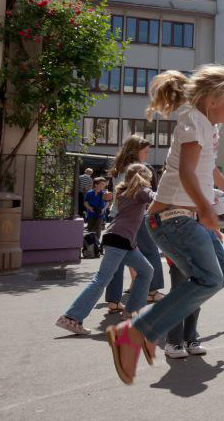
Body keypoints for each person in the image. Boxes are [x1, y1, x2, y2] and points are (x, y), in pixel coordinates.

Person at [106, 65, 224, 385]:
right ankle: (136, 334)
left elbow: (206, 169)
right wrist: (207, 210)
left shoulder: (209, 126)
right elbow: (185, 172)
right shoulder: (192, 121)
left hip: (186, 217)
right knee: (210, 278)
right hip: (171, 218)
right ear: (213, 100)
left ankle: (151, 333)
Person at [56, 163, 156, 336]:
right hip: (119, 240)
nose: (150, 180)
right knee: (102, 279)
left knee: (146, 270)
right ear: (143, 177)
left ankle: (131, 312)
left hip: (122, 241)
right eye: (148, 177)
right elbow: (156, 197)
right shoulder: (140, 191)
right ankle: (71, 317)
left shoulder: (124, 192)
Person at [165, 187, 224, 359]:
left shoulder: (193, 188)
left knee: (196, 294)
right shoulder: (171, 190)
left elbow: (196, 216)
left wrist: (210, 226)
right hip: (179, 248)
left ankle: (190, 338)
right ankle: (173, 342)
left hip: (196, 246)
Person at [104, 136, 165, 312]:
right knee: (151, 252)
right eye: (145, 151)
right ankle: (152, 291)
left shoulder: (118, 169)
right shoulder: (139, 170)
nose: (147, 154)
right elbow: (146, 195)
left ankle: (113, 302)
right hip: (137, 217)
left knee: (118, 259)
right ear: (135, 150)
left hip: (117, 217)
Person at [83, 177, 110, 249]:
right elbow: (85, 202)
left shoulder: (104, 193)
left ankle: (96, 244)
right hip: (91, 213)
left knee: (98, 228)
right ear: (96, 185)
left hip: (100, 213)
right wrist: (90, 208)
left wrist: (103, 209)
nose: (103, 186)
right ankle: (89, 244)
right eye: (101, 184)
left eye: (104, 184)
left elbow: (107, 203)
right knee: (90, 228)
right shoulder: (89, 193)